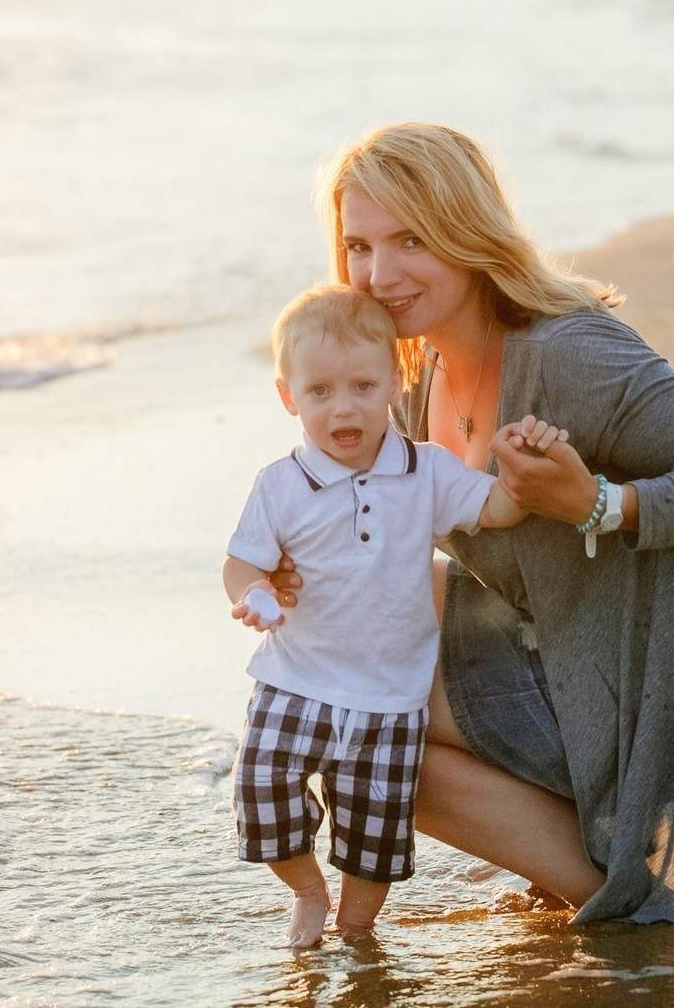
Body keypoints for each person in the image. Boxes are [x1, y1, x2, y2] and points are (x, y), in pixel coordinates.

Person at [269, 122, 674, 923]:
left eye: (411, 240)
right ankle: (581, 845)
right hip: (568, 635)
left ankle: (630, 894)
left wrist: (596, 504)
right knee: (335, 657)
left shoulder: (568, 351)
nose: (378, 274)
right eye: (358, 246)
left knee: (375, 746)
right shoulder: (415, 370)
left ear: (466, 232)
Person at [224, 283, 565, 947]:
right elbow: (241, 561)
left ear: (392, 382)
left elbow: (495, 507)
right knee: (262, 797)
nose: (342, 406)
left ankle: (355, 928)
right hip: (296, 680)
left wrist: (526, 469)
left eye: (361, 385)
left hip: (390, 697)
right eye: (319, 391)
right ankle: (306, 892)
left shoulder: (426, 472)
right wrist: (255, 593)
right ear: (289, 396)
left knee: (374, 831)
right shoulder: (280, 485)